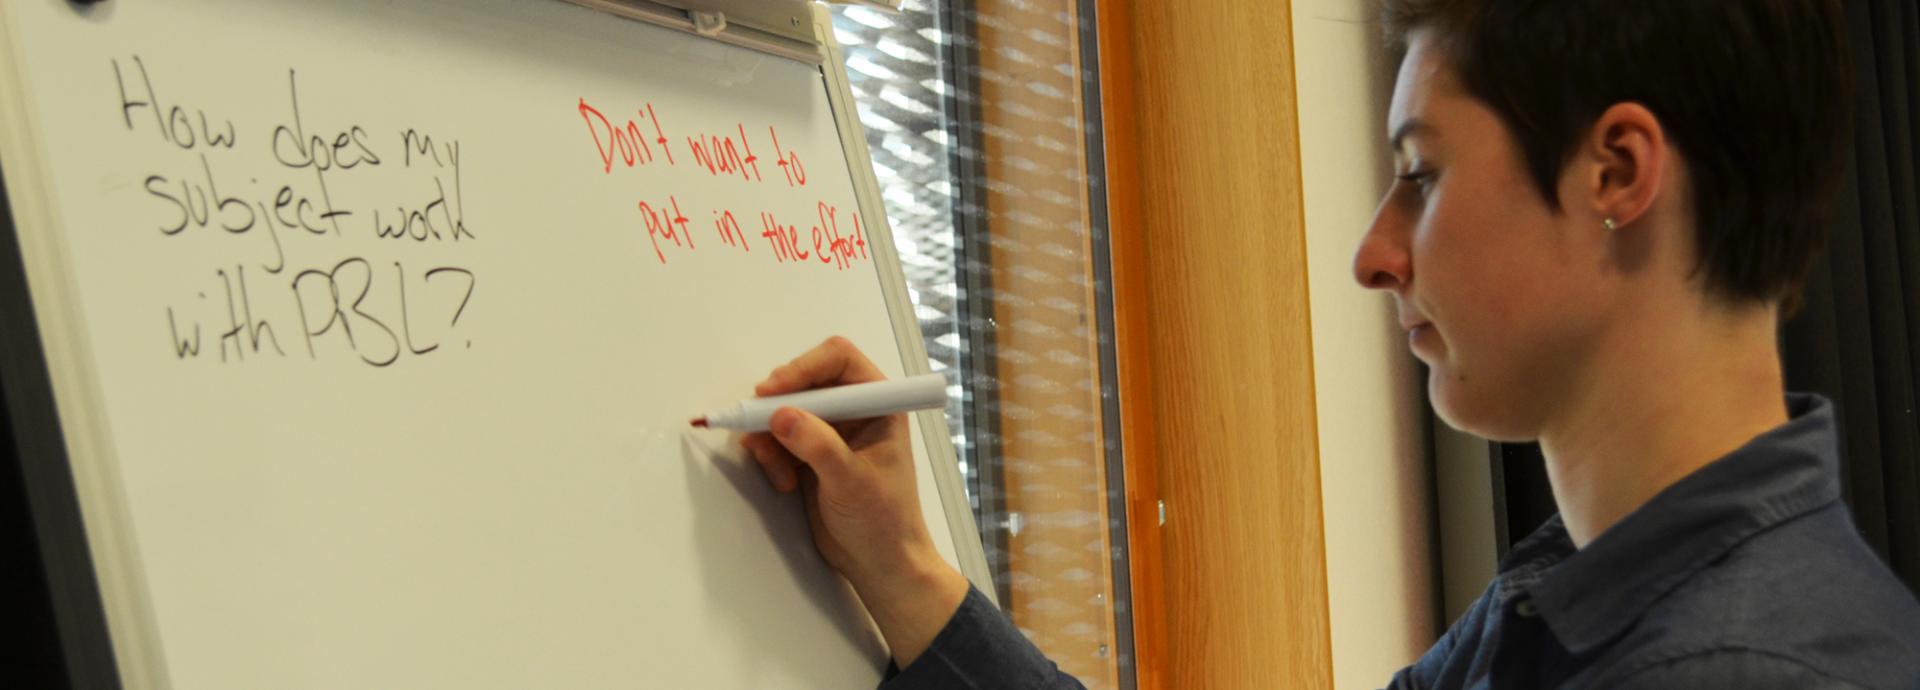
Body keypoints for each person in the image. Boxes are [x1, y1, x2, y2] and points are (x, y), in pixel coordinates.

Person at [740, 0, 1920, 687]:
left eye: (1423, 174)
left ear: (1616, 172)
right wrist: (902, 566)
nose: (1373, 252)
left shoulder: (1727, 670)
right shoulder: (1579, 596)